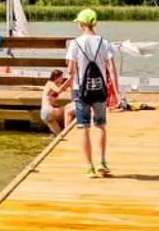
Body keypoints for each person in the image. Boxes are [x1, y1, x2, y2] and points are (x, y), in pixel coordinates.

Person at [69, 9, 120, 177]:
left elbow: (71, 70)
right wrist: (116, 92)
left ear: (82, 24)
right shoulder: (104, 42)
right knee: (100, 125)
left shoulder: (75, 43)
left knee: (83, 127)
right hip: (100, 89)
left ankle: (89, 167)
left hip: (80, 90)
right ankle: (102, 162)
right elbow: (111, 68)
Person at [41, 68, 73, 136]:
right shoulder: (50, 83)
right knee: (68, 109)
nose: (62, 78)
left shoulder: (56, 85)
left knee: (59, 135)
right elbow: (59, 90)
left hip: (45, 114)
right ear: (56, 77)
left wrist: (71, 84)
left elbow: (64, 88)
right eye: (61, 76)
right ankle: (69, 129)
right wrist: (69, 79)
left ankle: (54, 136)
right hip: (48, 110)